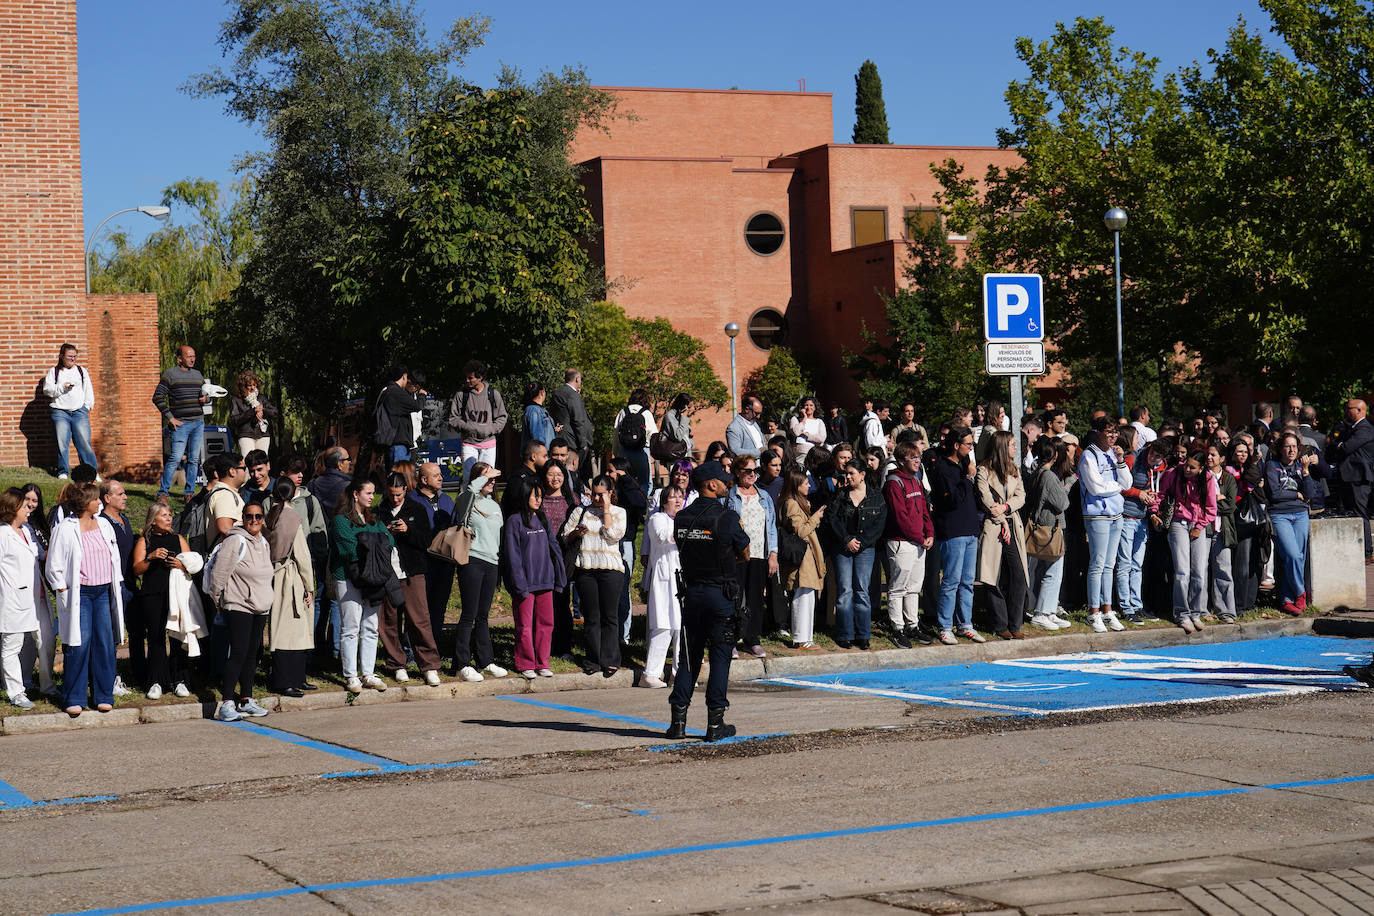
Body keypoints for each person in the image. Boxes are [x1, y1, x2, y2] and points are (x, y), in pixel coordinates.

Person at [665, 461, 750, 742]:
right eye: (722, 480)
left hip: (692, 595)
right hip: (720, 594)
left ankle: (677, 722)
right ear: (710, 485)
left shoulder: (681, 517)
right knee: (720, 657)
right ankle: (715, 724)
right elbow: (745, 551)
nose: (727, 484)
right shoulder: (725, 517)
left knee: (688, 658)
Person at [47, 483, 125, 716]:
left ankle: (103, 694)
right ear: (84, 503)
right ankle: (74, 696)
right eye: (95, 499)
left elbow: (114, 556)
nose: (100, 502)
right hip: (79, 594)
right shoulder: (65, 528)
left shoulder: (103, 524)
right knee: (78, 645)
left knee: (104, 643)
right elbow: (54, 564)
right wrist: (62, 589)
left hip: (103, 592)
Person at [205, 502, 273, 721]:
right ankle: (226, 702)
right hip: (238, 604)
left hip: (260, 606)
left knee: (252, 654)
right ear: (243, 518)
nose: (254, 520)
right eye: (249, 516)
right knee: (238, 653)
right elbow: (219, 574)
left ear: (264, 519)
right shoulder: (235, 540)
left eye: (258, 516)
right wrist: (219, 602)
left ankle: (246, 699)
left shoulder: (263, 541)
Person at [375, 473, 440, 686]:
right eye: (392, 495)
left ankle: (429, 665)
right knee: (389, 622)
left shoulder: (417, 509)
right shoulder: (379, 512)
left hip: (413, 572)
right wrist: (384, 533)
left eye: (399, 494)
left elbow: (426, 541)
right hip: (388, 573)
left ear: (406, 489)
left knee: (419, 620)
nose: (395, 499)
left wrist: (407, 530)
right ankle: (397, 664)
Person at [330, 478, 394, 693]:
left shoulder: (373, 518)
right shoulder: (340, 519)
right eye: (368, 492)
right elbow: (349, 548)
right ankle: (351, 676)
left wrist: (370, 542)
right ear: (355, 494)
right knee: (350, 628)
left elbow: (389, 541)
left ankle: (368, 673)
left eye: (373, 492)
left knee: (370, 626)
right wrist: (373, 542)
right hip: (348, 577)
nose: (372, 497)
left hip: (374, 577)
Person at [561, 474, 627, 677]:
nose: (596, 499)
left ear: (610, 493)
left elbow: (613, 534)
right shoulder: (581, 511)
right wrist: (577, 533)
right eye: (594, 494)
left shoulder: (619, 512)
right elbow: (565, 536)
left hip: (611, 570)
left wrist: (606, 510)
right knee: (591, 617)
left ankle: (610, 660)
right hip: (586, 570)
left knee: (610, 616)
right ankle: (592, 659)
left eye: (601, 495)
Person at [503, 476, 567, 680]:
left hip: (545, 581)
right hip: (525, 585)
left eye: (540, 496)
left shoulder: (542, 518)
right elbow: (512, 556)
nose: (539, 500)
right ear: (524, 496)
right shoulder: (514, 521)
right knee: (524, 625)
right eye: (535, 496)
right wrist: (519, 584)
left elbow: (553, 548)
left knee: (546, 623)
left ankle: (542, 662)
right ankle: (525, 663)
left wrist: (558, 575)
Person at [128, 503, 193, 700]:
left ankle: (179, 680)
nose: (168, 519)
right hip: (153, 594)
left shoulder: (178, 538)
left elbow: (193, 563)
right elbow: (136, 569)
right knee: (156, 637)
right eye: (163, 515)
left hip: (175, 593)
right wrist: (151, 557)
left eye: (170, 515)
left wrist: (182, 564)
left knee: (177, 636)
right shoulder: (144, 540)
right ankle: (156, 681)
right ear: (153, 519)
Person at [451, 463, 508, 682]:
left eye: (494, 478)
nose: (492, 481)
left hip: (491, 564)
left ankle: (486, 661)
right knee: (469, 614)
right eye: (487, 477)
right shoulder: (467, 501)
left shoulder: (494, 505)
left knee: (483, 616)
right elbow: (469, 492)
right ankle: (461, 664)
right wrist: (482, 478)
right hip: (472, 561)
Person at [258, 479, 315, 697]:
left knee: (286, 628)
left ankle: (297, 677)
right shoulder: (291, 517)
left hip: (275, 574)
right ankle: (286, 680)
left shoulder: (271, 513)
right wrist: (309, 585)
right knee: (291, 630)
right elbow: (302, 554)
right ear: (294, 494)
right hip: (290, 576)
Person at [1151, 450, 1218, 632]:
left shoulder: (1209, 479)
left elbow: (1211, 508)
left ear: (1202, 468)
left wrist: (1199, 526)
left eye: (1192, 467)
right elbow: (1161, 495)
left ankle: (1195, 612)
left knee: (1199, 572)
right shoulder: (1173, 473)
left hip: (1198, 525)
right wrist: (1154, 512)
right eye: (1187, 464)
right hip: (1178, 523)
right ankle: (1181, 613)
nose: (1187, 469)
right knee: (1182, 571)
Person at [825, 459, 888, 650]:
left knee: (862, 590)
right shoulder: (840, 495)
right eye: (846, 473)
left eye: (852, 473)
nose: (848, 476)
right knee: (845, 591)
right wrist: (846, 539)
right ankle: (845, 634)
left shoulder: (876, 497)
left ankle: (863, 634)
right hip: (842, 548)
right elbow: (832, 519)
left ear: (862, 475)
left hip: (865, 549)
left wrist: (862, 543)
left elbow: (879, 525)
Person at [1078, 415, 1131, 632]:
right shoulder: (1088, 455)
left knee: (1110, 565)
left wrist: (1120, 461)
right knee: (1097, 565)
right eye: (1108, 432)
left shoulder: (1113, 454)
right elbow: (1095, 488)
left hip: (1116, 514)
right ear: (1098, 432)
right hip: (1097, 515)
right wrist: (1117, 486)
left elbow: (1126, 483)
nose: (1113, 436)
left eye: (1115, 432)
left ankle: (1108, 609)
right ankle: (1093, 611)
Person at [930, 427, 983, 645]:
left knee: (967, 582)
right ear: (956, 445)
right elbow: (952, 500)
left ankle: (965, 624)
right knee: (951, 580)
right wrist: (968, 477)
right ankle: (944, 626)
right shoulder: (943, 468)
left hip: (970, 530)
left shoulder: (962, 465)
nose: (972, 448)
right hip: (953, 532)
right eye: (969, 444)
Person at [975, 431, 1029, 639]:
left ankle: (1016, 624)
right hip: (993, 527)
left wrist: (1006, 508)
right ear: (1002, 446)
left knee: (1019, 574)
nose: (1016, 448)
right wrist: (1001, 518)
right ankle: (1000, 624)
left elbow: (1021, 496)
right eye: (1013, 444)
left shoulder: (1014, 469)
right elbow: (986, 500)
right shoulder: (983, 470)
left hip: (1012, 525)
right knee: (992, 577)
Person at [0, 488, 49, 709]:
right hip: (12, 600)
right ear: (12, 509)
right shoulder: (2, 534)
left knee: (39, 641)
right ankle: (16, 692)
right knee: (12, 646)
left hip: (32, 598)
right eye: (24, 506)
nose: (29, 508)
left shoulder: (26, 532)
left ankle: (38, 685)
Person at [883, 439, 933, 647]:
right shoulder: (894, 482)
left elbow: (923, 509)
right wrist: (919, 537)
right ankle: (897, 628)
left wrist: (929, 532)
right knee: (897, 588)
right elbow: (900, 517)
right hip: (902, 542)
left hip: (918, 542)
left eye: (918, 457)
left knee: (914, 587)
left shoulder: (916, 480)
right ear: (901, 461)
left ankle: (912, 625)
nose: (917, 461)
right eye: (913, 457)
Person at [727, 454, 778, 657]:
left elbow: (772, 528)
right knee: (733, 596)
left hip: (759, 554)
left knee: (756, 598)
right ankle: (730, 639)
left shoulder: (764, 497)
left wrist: (772, 554)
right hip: (736, 555)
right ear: (738, 472)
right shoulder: (729, 496)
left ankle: (752, 639)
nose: (752, 474)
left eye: (755, 471)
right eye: (748, 471)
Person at [1266, 430, 1318, 615]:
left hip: (1301, 515)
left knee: (1297, 558)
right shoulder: (1272, 466)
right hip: (1280, 515)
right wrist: (1296, 494)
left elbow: (1310, 495)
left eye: (1294, 446)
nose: (1291, 450)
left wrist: (1305, 472)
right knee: (1293, 555)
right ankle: (1300, 592)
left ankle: (1287, 599)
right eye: (1287, 446)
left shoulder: (1299, 467)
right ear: (1280, 449)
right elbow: (1274, 494)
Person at [1025, 439, 1074, 630]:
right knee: (1053, 571)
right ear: (1054, 456)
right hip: (1050, 527)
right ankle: (1042, 612)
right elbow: (1063, 503)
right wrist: (1066, 488)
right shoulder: (1050, 476)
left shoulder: (1036, 473)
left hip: (1041, 526)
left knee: (1048, 570)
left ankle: (1050, 610)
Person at [408, 461, 456, 657]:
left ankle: (434, 649)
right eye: (436, 475)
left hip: (444, 564)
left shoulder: (446, 500)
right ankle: (413, 652)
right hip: (421, 563)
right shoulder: (412, 500)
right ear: (423, 479)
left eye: (440, 474)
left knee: (438, 608)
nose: (441, 478)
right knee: (419, 611)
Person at [777, 469, 826, 650]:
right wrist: (815, 518)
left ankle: (806, 637)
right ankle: (800, 638)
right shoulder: (791, 504)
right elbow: (801, 532)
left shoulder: (798, 503)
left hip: (806, 556)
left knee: (808, 594)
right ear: (796, 486)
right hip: (801, 557)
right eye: (805, 483)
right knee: (802, 594)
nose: (809, 486)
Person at [641, 484, 684, 687]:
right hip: (664, 578)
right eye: (673, 497)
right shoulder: (657, 519)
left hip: (682, 579)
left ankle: (679, 673)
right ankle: (650, 674)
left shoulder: (684, 519)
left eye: (680, 496)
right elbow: (662, 536)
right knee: (663, 625)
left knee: (681, 626)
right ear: (664, 501)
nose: (677, 500)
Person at [1119, 437, 1165, 625]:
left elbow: (1152, 489)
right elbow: (1120, 485)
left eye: (1159, 457)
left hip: (1142, 518)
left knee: (1137, 564)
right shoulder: (1133, 458)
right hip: (1126, 517)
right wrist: (1139, 493)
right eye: (1153, 453)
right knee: (1124, 563)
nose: (1154, 458)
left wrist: (1151, 499)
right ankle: (1125, 607)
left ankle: (1136, 605)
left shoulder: (1159, 467)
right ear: (1149, 448)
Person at [16, 484, 56, 698]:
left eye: (34, 501)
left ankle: (47, 686)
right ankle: (20, 684)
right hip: (19, 595)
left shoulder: (36, 527)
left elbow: (41, 554)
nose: (30, 505)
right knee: (20, 642)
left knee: (47, 639)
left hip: (39, 592)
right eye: (26, 501)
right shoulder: (6, 530)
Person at [153, 345, 207, 500]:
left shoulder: (198, 375)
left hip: (198, 422)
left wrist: (206, 399)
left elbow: (206, 396)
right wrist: (170, 417)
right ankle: (163, 493)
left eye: (194, 356)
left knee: (193, 459)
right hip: (180, 424)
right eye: (188, 356)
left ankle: (189, 493)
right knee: (175, 458)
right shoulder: (170, 374)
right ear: (179, 358)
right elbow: (157, 397)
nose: (192, 359)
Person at [42, 343, 98, 479]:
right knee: (62, 443)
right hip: (60, 412)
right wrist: (62, 387)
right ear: (61, 356)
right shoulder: (54, 372)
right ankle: (62, 472)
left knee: (84, 443)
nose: (72, 359)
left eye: (74, 356)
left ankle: (92, 473)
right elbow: (47, 390)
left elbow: (88, 390)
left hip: (79, 411)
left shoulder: (81, 371)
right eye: (69, 356)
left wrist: (87, 406)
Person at [1328, 398, 1374, 563]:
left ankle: (1367, 551)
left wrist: (1339, 444)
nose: (1346, 411)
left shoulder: (1365, 429)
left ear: (1360, 410)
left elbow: (1346, 447)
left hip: (1359, 478)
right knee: (1349, 513)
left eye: (1349, 408)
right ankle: (1356, 547)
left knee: (1360, 514)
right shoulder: (1349, 428)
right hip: (1348, 477)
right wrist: (1338, 444)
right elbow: (1335, 444)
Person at [541, 460, 578, 660]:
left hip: (564, 556)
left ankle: (564, 646)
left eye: (559, 475)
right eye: (551, 474)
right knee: (545, 602)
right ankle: (545, 645)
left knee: (563, 602)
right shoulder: (538, 498)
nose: (555, 479)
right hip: (542, 555)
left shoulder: (572, 499)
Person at [448, 361, 508, 483]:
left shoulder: (493, 394)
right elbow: (453, 419)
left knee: (487, 478)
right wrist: (469, 427)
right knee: (468, 477)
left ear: (480, 378)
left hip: (488, 443)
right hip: (469, 443)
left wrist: (489, 429)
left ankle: (486, 502)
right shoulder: (461, 395)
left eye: (470, 378)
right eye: (466, 377)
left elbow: (502, 417)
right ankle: (468, 502)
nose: (467, 380)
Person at [1206, 443, 1238, 623]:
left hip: (1223, 530)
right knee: (1200, 571)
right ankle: (1201, 610)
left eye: (1213, 454)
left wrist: (1211, 502)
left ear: (1222, 459)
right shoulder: (1201, 476)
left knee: (1224, 570)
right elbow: (1199, 503)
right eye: (1208, 455)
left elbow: (1230, 506)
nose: (1209, 458)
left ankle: (1226, 611)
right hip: (1204, 529)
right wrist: (1215, 498)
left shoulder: (1229, 479)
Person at [547, 369, 595, 479]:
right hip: (575, 441)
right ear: (577, 379)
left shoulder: (557, 393)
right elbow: (578, 419)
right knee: (573, 472)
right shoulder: (572, 395)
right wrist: (583, 443)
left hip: (562, 436)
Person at [376, 365, 425, 466]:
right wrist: (422, 395)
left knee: (399, 476)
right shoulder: (395, 392)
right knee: (399, 477)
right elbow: (417, 406)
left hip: (394, 442)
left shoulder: (386, 391)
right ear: (404, 376)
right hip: (398, 443)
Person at [613, 388, 658, 493]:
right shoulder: (646, 413)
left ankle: (626, 506)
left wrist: (616, 453)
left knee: (623, 482)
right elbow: (653, 435)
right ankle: (642, 505)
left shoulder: (623, 412)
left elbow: (615, 434)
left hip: (624, 451)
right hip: (641, 451)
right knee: (645, 482)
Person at [228, 371, 278, 458]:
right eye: (250, 385)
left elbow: (274, 412)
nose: (253, 388)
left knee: (262, 462)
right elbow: (234, 420)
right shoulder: (235, 399)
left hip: (263, 434)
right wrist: (253, 411)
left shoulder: (261, 398)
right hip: (246, 434)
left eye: (254, 385)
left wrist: (262, 410)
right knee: (247, 462)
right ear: (243, 386)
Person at [501, 440, 548, 519]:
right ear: (533, 457)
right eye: (544, 456)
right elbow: (513, 505)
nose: (547, 459)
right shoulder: (518, 478)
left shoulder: (539, 475)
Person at [521, 381, 561, 450]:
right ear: (542, 392)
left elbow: (542, 431)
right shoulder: (534, 410)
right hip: (540, 456)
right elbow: (537, 437)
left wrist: (552, 430)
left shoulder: (538, 410)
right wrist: (542, 455)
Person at [790, 396, 826, 465]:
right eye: (806, 405)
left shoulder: (819, 422)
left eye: (811, 405)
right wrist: (804, 418)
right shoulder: (795, 419)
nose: (809, 407)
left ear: (815, 407)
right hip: (799, 454)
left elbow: (821, 438)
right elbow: (796, 432)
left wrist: (807, 435)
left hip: (815, 454)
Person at [661, 393, 694, 459]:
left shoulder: (681, 417)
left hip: (685, 455)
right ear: (683, 406)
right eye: (689, 407)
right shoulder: (670, 416)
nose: (691, 409)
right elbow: (677, 436)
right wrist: (684, 418)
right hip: (674, 456)